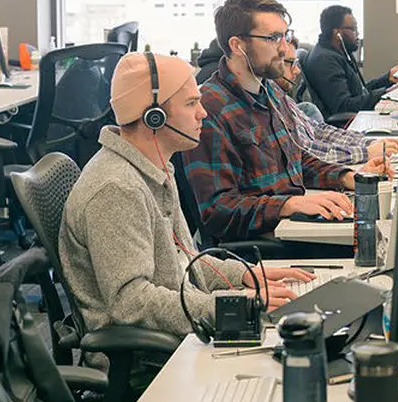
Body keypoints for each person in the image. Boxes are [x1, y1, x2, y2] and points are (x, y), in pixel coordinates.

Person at [58, 52, 311, 339]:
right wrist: (235, 306)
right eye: (191, 103)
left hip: (184, 326)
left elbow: (184, 261)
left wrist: (246, 275)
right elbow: (131, 303)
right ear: (154, 117)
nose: (203, 113)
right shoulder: (117, 189)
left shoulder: (156, 166)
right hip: (151, 354)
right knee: (298, 348)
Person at [184, 0, 391, 244]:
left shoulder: (270, 90)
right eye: (273, 38)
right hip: (260, 246)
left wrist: (347, 177)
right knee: (374, 242)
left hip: (288, 225)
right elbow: (218, 211)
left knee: (381, 223)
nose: (284, 48)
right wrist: (289, 205)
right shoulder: (210, 108)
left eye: (285, 36)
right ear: (237, 46)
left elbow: (296, 161)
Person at [305, 5, 398, 116]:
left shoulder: (340, 52)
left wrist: (388, 78)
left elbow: (360, 91)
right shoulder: (325, 61)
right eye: (354, 29)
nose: (358, 34)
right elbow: (343, 106)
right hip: (346, 122)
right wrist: (386, 94)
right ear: (337, 34)